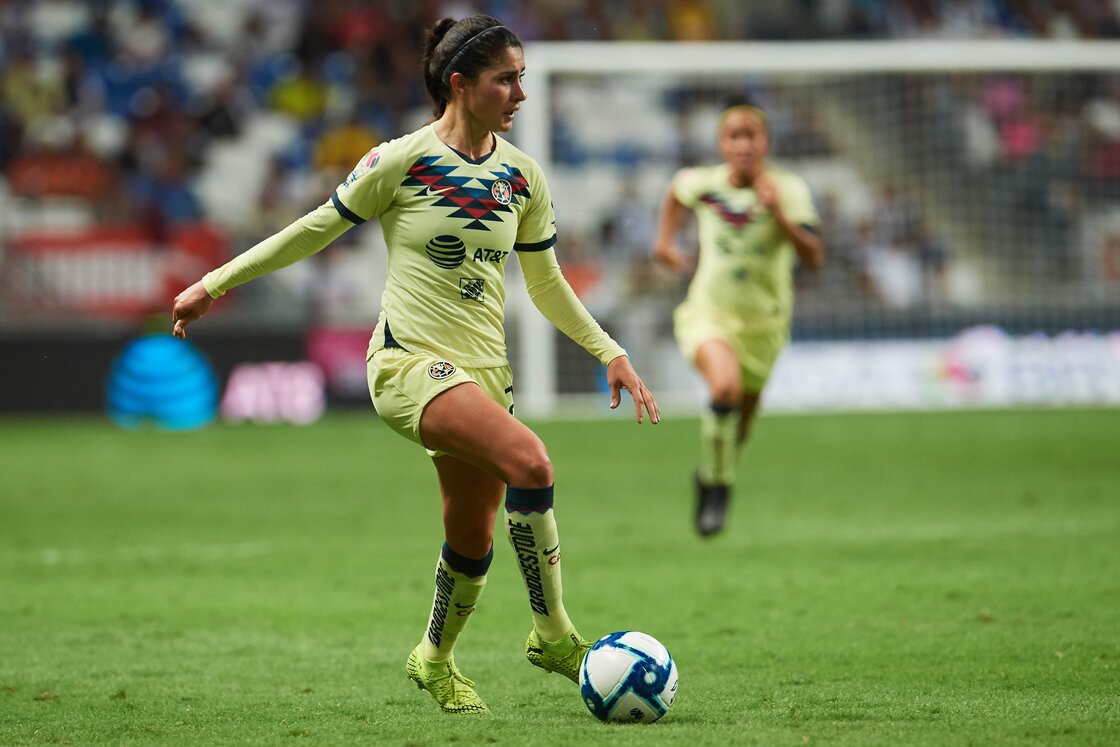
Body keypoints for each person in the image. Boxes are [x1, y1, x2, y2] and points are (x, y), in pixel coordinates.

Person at [171, 15, 659, 715]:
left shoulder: (522, 177)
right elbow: (313, 228)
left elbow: (546, 283)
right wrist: (213, 283)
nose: (521, 92)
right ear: (460, 84)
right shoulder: (400, 160)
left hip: (486, 373)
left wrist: (609, 350)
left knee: (473, 533)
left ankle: (432, 656)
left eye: (522, 77)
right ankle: (554, 633)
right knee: (534, 465)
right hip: (408, 365)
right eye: (506, 78)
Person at [653, 100, 823, 537]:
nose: (743, 144)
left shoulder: (789, 189)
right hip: (708, 315)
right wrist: (665, 243)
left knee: (738, 427)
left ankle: (710, 474)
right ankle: (720, 490)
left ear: (766, 142)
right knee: (723, 386)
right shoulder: (705, 183)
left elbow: (815, 257)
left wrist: (779, 215)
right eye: (735, 136)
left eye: (752, 135)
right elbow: (676, 192)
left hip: (765, 326)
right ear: (721, 143)